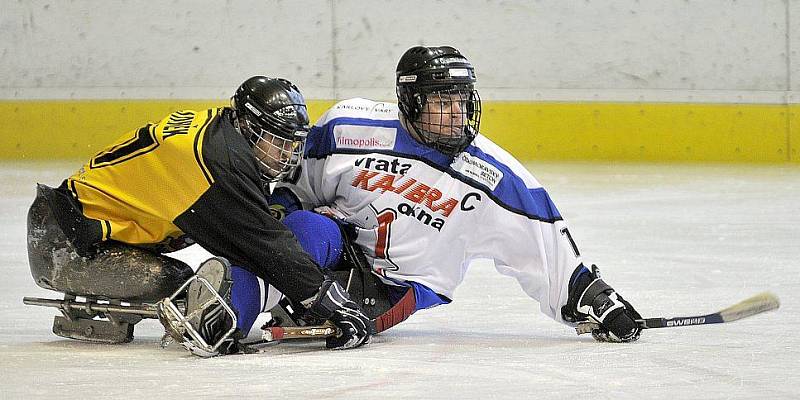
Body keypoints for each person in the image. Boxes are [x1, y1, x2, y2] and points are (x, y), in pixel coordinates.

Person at [225, 45, 643, 345]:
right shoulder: (348, 127)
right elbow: (296, 188)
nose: (457, 113)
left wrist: (598, 300)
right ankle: (223, 310)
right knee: (301, 231)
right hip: (340, 246)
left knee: (308, 271)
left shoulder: (496, 177)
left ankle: (230, 308)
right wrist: (274, 219)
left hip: (396, 286)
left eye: (462, 101)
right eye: (443, 102)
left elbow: (547, 247)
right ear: (410, 102)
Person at [26, 76, 371, 357]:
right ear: (248, 127)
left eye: (292, 144)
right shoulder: (220, 165)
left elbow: (258, 232)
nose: (287, 153)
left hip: (68, 220)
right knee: (175, 281)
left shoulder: (220, 135)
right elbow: (265, 245)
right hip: (63, 245)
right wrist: (327, 300)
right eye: (277, 141)